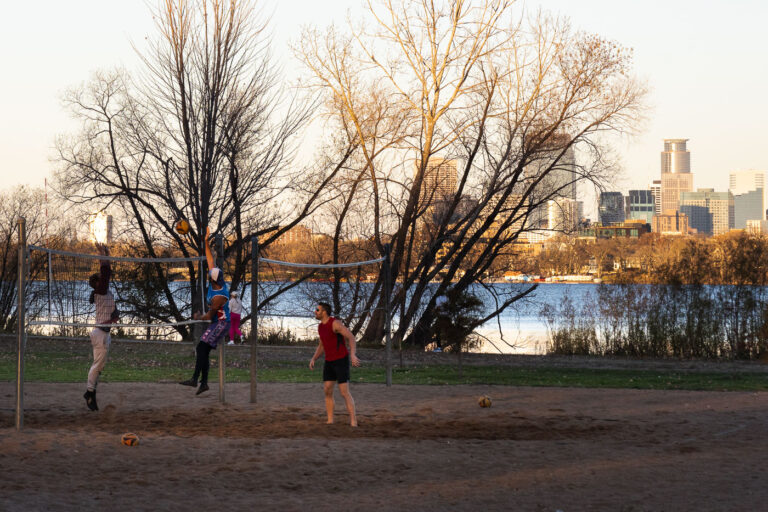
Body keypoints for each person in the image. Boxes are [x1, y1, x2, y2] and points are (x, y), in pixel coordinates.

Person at [180, 227, 230, 395]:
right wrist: (206, 241)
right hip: (217, 322)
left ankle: (196, 379)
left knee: (202, 348)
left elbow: (209, 316)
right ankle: (203, 383)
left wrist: (198, 316)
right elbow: (210, 258)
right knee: (203, 350)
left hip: (222, 323)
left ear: (212, 279)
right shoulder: (216, 278)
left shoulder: (219, 297)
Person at [309, 302, 361, 427]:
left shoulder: (335, 323)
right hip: (329, 361)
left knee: (344, 392)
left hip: (340, 360)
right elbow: (322, 345)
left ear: (324, 312)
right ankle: (330, 419)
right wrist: (314, 358)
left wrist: (353, 354)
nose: (315, 312)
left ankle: (353, 421)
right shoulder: (321, 327)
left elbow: (351, 338)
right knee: (327, 389)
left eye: (317, 310)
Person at [84, 243, 118, 411]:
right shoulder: (100, 291)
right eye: (99, 279)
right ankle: (89, 392)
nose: (103, 280)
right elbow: (105, 273)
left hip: (105, 334)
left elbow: (107, 273)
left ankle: (92, 391)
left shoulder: (105, 292)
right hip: (99, 334)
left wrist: (107, 254)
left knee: (100, 367)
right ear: (96, 284)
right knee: (97, 365)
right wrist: (101, 255)